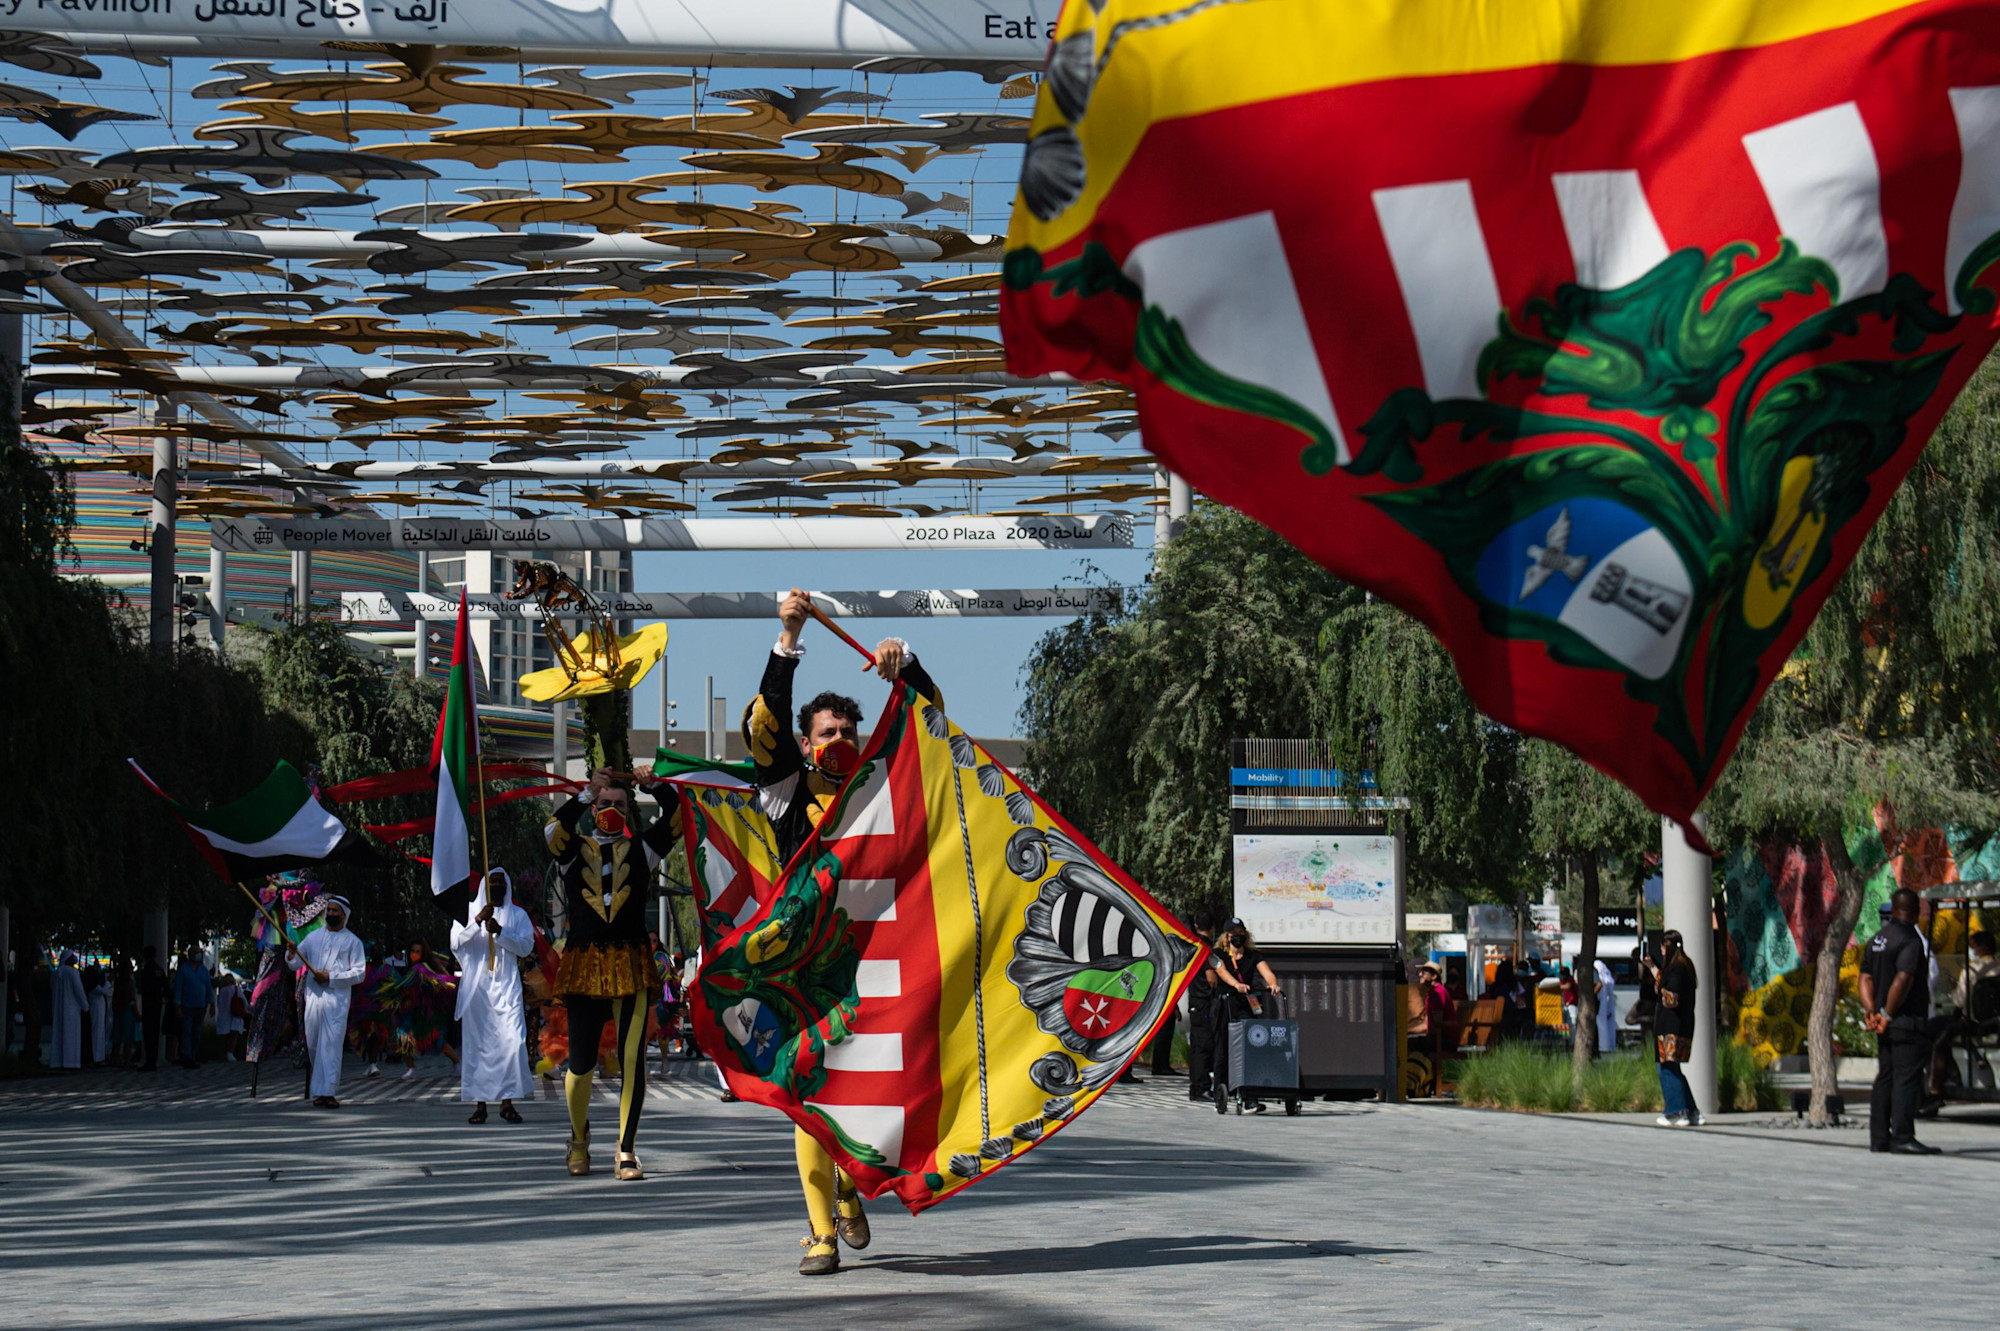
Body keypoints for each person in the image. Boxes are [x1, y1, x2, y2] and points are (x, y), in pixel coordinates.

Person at [713, 588, 940, 1276]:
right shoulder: (782, 790)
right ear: (805, 745)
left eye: (848, 731)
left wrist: (910, 669)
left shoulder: (883, 788)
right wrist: (787, 641)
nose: (838, 742)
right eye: (826, 733)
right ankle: (819, 1233)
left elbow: (933, 732)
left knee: (866, 1095)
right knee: (805, 1095)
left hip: (877, 963)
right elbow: (765, 722)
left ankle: (849, 1179)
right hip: (798, 967)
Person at [546, 762, 681, 1181]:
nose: (612, 809)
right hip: (585, 964)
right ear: (593, 806)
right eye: (605, 803)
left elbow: (677, 821)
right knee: (581, 1063)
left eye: (620, 804)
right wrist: (584, 795)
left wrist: (655, 786)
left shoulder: (643, 848)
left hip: (631, 964)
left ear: (630, 810)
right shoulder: (572, 850)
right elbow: (552, 833)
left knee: (631, 1060)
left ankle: (625, 1150)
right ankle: (579, 1137)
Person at [452, 868, 535, 1124]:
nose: (497, 885)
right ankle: (480, 1105)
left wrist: (500, 931)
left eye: (500, 882)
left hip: (507, 987)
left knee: (512, 1042)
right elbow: (456, 943)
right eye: (493, 882)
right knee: (479, 1047)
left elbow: (525, 947)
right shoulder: (466, 912)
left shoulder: (518, 915)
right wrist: (477, 921)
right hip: (477, 990)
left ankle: (507, 1103)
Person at [1862, 888, 1941, 1154]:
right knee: (1906, 1079)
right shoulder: (1911, 940)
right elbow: (1904, 978)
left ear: (1893, 909)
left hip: (1884, 1024)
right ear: (1916, 911)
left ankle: (1879, 1138)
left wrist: (1871, 1012)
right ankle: (1903, 1137)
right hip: (1905, 1020)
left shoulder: (1876, 939)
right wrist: (1887, 1014)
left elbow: (1865, 978)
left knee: (1885, 1077)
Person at [291, 896, 368, 1108]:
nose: (332, 914)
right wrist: (291, 954)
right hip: (314, 999)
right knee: (315, 1045)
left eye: (336, 911)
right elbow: (295, 963)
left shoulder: (353, 942)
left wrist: (332, 978)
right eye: (330, 910)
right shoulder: (313, 938)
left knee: (331, 1046)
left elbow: (359, 973)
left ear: (344, 914)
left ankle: (329, 1091)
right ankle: (319, 1092)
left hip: (336, 1002)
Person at [1214, 927, 1282, 1112]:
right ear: (1226, 936)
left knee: (1248, 1049)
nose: (1237, 937)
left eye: (1240, 933)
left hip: (1245, 1006)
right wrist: (1236, 984)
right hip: (1226, 1004)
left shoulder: (1253, 956)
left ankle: (1249, 1098)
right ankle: (1220, 1093)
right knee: (1224, 1049)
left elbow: (1266, 972)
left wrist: (1273, 983)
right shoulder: (1219, 954)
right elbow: (1221, 972)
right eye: (1233, 933)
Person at [1641, 931, 1701, 1127]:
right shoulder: (1685, 967)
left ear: (1669, 948)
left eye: (1663, 947)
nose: (1660, 950)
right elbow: (1663, 985)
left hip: (1670, 1028)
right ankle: (1692, 1111)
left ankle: (1675, 1112)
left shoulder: (1676, 970)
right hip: (1683, 1026)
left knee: (1666, 1068)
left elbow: (1671, 998)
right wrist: (1652, 967)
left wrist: (1662, 994)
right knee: (1673, 1067)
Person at [1185, 921, 1220, 1102]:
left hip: (1194, 1000)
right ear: (1212, 927)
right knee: (1203, 1046)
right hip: (1203, 1001)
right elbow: (1211, 977)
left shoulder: (1193, 946)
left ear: (1196, 925)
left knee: (1197, 1046)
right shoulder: (1204, 948)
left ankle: (1195, 1087)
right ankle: (1202, 1088)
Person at [172, 946, 213, 1068]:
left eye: (199, 952)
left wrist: (212, 1003)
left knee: (196, 1032)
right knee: (186, 1032)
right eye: (195, 952)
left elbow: (208, 987)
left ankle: (193, 1055)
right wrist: (177, 1005)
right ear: (189, 954)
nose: (198, 955)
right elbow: (178, 989)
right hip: (187, 1006)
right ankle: (186, 1057)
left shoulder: (203, 970)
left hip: (200, 1005)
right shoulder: (183, 970)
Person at [49, 951, 86, 1071]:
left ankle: (58, 1061)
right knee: (71, 1035)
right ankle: (71, 1062)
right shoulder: (72, 972)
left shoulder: (56, 974)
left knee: (59, 1034)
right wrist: (85, 1006)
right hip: (72, 1009)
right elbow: (79, 991)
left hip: (58, 1008)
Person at [138, 946, 166, 1072]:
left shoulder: (147, 970)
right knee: (155, 1033)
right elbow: (165, 987)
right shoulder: (159, 970)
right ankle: (153, 1060)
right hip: (157, 1005)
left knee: (148, 1033)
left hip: (148, 1004)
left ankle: (149, 1061)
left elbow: (143, 988)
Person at [213, 971, 245, 1061]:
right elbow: (243, 1001)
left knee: (225, 1036)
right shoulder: (235, 989)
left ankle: (224, 1053)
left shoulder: (222, 990)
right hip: (234, 1015)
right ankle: (230, 1053)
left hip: (224, 1016)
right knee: (233, 1036)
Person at [85, 964, 111, 1067]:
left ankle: (99, 1056)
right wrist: (108, 982)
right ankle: (96, 1057)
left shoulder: (93, 985)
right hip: (96, 1010)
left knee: (99, 1032)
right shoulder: (93, 986)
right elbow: (103, 990)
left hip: (99, 1010)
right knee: (96, 1032)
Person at [1593, 956, 1618, 1055]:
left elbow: (1600, 984)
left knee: (1601, 1024)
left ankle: (1603, 1046)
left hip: (1602, 1002)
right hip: (1608, 1003)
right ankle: (1608, 1045)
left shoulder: (1597, 971)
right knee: (1608, 1025)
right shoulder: (1608, 978)